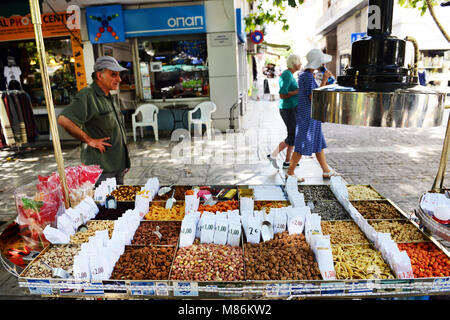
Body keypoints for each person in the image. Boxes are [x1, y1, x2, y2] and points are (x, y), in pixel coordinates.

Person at [57, 56, 130, 186]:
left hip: (117, 166)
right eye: (113, 75)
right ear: (99, 75)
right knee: (104, 206)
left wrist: (124, 161)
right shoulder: (88, 95)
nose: (118, 79)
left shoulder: (108, 96)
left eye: (119, 75)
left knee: (118, 204)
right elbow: (64, 120)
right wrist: (89, 140)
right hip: (102, 170)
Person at [286, 49, 339, 182]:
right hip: (307, 116)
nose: (323, 64)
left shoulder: (307, 75)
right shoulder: (308, 77)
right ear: (317, 63)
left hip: (310, 115)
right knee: (302, 143)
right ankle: (290, 171)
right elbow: (313, 96)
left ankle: (326, 170)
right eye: (321, 62)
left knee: (318, 142)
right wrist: (325, 80)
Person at [267, 54, 302, 170]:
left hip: (292, 107)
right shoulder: (286, 75)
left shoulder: (290, 74)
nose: (301, 64)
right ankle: (273, 155)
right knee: (292, 136)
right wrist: (297, 91)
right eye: (299, 62)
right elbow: (282, 95)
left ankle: (288, 161)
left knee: (293, 135)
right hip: (288, 108)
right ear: (294, 64)